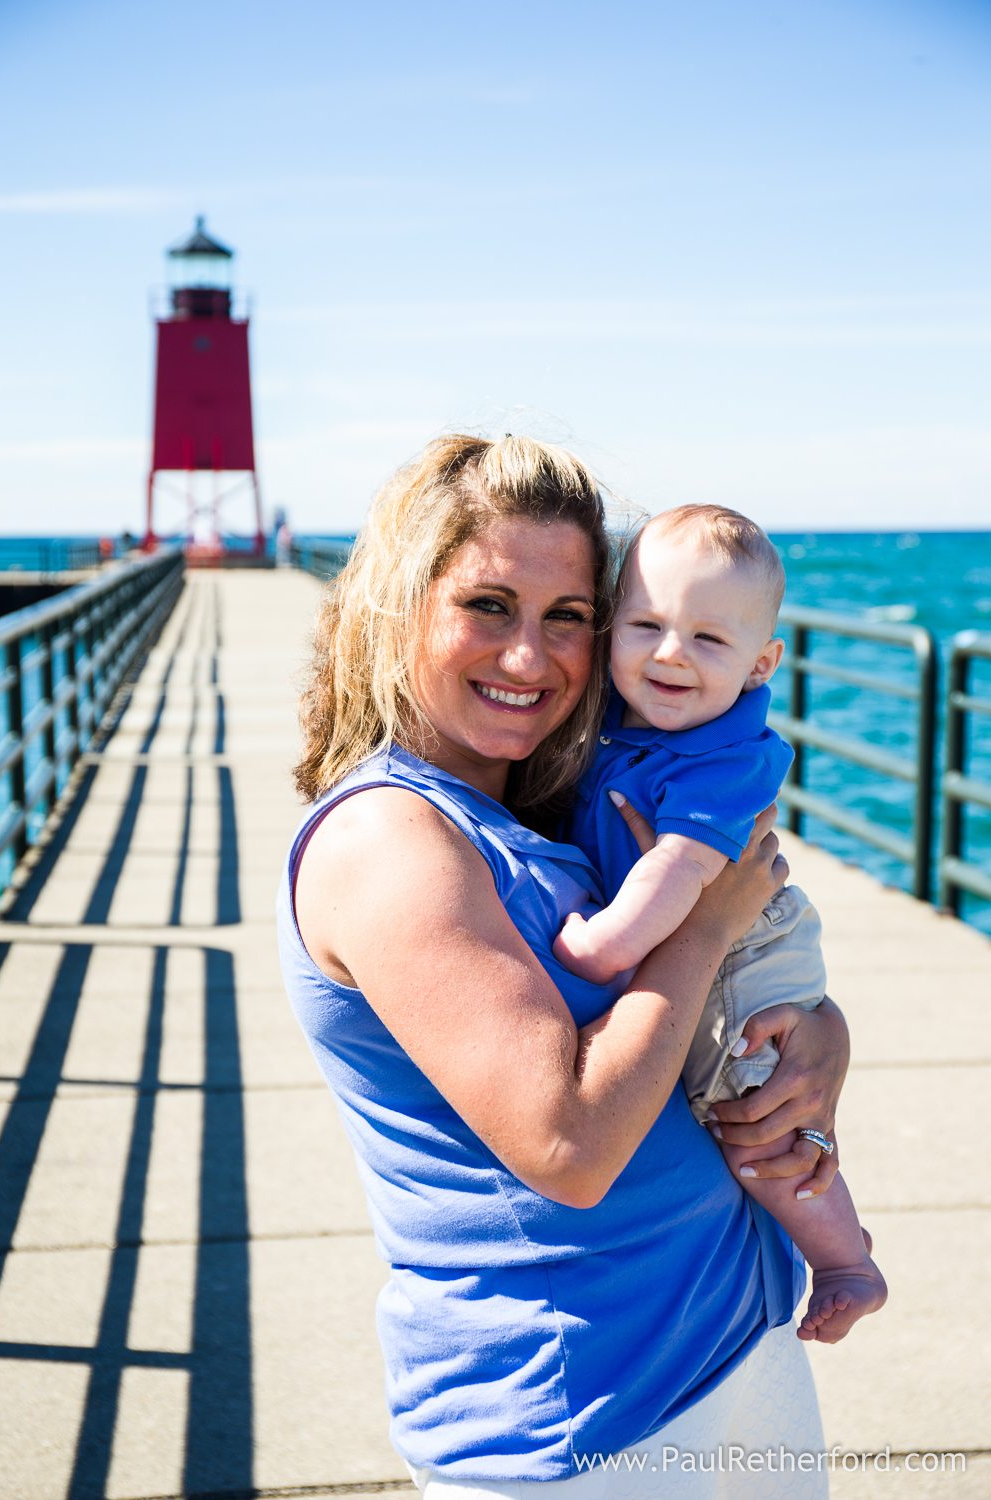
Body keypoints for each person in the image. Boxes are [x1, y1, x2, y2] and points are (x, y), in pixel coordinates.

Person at [278, 435, 851, 1498]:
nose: (530, 658)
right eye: (487, 606)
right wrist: (703, 930)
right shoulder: (388, 838)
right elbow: (567, 1141)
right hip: (578, 1417)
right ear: (398, 604)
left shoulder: (542, 798)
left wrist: (817, 1041)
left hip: (731, 1329)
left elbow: (698, 1000)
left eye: (570, 617)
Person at [553, 505, 887, 1344]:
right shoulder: (616, 719)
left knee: (755, 1113)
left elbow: (683, 871)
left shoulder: (727, 754)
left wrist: (606, 943)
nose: (670, 652)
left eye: (709, 639)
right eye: (647, 625)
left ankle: (846, 1260)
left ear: (759, 665)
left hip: (746, 943)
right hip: (691, 923)